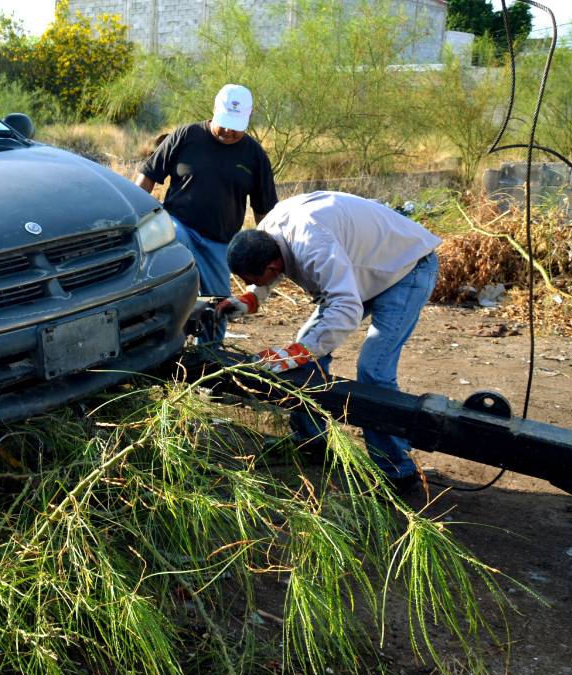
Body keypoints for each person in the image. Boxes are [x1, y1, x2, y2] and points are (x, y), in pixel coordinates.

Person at [218, 191, 441, 491]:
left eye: (253, 280)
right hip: (364, 268)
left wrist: (299, 352)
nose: (254, 283)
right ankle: (310, 440)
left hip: (406, 268)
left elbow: (346, 308)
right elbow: (274, 270)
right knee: (305, 352)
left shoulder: (312, 246)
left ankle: (396, 471)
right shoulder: (268, 232)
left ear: (271, 267)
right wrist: (250, 299)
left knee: (373, 370)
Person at [134, 84, 277, 346]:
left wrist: (267, 256)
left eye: (236, 125)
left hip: (219, 241)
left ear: (248, 116)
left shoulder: (254, 155)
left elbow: (264, 211)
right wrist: (133, 218)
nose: (229, 131)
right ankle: (158, 339)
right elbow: (148, 175)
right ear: (214, 110)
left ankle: (210, 356)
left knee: (218, 307)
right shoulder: (187, 136)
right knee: (172, 248)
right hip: (180, 225)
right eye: (224, 123)